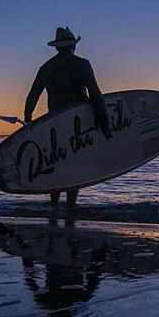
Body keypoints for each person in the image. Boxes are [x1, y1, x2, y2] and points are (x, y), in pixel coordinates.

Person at [24, 27, 112, 208]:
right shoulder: (82, 64)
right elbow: (95, 94)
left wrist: (28, 120)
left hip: (54, 121)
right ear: (74, 46)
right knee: (75, 164)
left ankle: (54, 205)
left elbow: (33, 95)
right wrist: (105, 124)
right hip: (79, 120)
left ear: (57, 48)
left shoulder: (46, 68)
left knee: (57, 163)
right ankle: (71, 207)